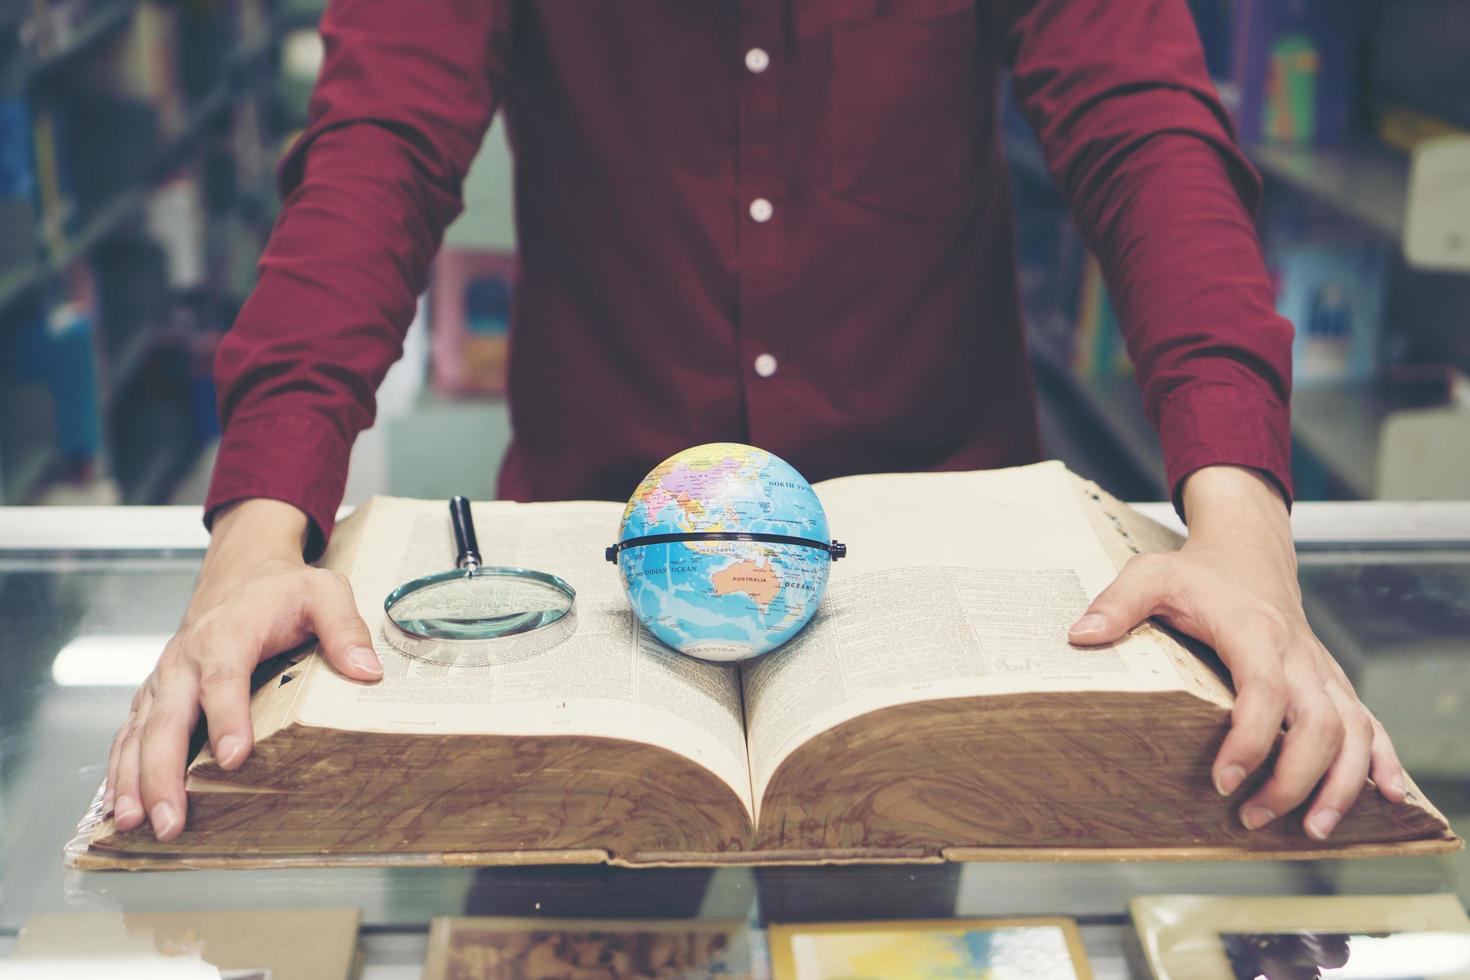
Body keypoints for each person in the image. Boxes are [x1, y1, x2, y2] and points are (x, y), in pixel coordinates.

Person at [105, 0, 1407, 845]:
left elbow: (1143, 132)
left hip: (944, 557)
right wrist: (255, 550)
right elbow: (376, 152)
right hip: (596, 572)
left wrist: (1240, 533)